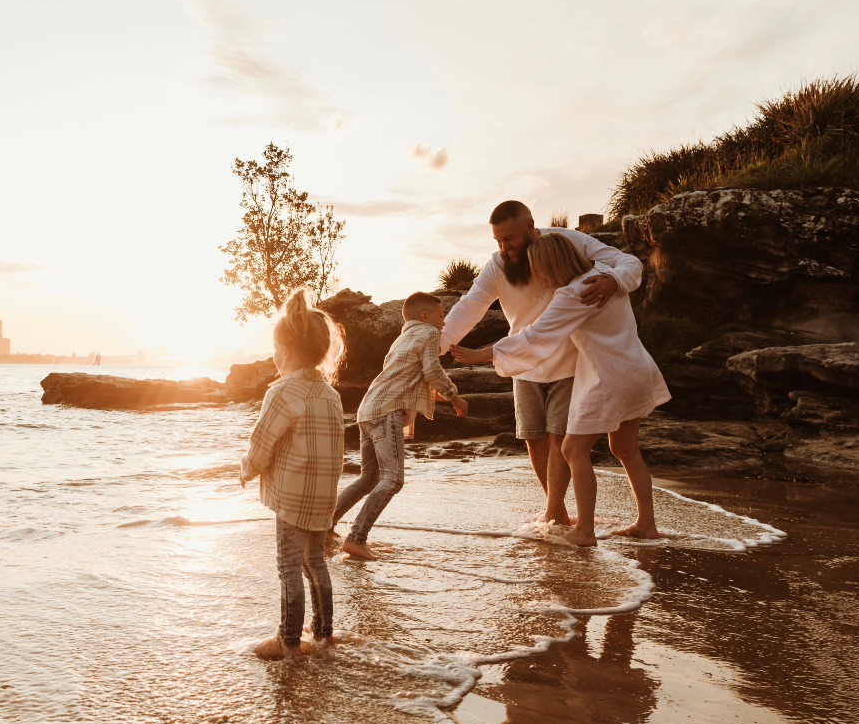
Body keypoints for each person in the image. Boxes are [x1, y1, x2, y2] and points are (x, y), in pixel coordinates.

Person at [452, 232, 669, 547]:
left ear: (552, 265)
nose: (538, 279)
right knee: (625, 448)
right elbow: (629, 267)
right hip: (638, 370)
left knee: (572, 450)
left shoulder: (573, 295)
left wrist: (478, 354)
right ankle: (646, 524)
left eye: (539, 271)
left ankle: (585, 531)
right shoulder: (603, 277)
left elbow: (535, 337)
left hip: (608, 378)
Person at [240, 289, 347, 660]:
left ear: (286, 349)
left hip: (291, 497)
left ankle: (289, 643)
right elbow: (337, 447)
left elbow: (262, 440)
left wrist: (247, 470)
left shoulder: (282, 391)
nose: (273, 355)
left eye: (274, 347)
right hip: (323, 494)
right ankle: (324, 634)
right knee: (315, 561)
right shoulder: (330, 395)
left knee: (289, 567)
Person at [326, 292, 468, 561]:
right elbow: (432, 371)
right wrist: (454, 395)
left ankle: (325, 525)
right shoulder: (428, 333)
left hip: (368, 410)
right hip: (387, 412)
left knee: (369, 478)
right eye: (441, 316)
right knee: (393, 479)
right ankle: (356, 538)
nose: (444, 322)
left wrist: (445, 397)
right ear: (425, 317)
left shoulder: (402, 339)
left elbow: (411, 379)